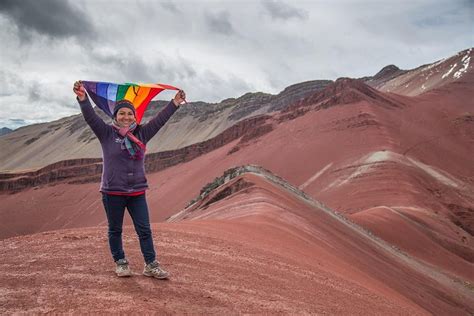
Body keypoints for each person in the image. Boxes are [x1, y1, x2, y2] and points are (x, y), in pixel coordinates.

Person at [73, 81, 186, 279]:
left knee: (144, 229)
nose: (126, 117)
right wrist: (83, 98)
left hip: (137, 192)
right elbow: (91, 118)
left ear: (135, 116)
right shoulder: (106, 133)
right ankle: (121, 262)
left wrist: (175, 103)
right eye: (121, 113)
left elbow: (159, 121)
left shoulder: (142, 133)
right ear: (115, 116)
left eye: (129, 114)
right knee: (115, 229)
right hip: (112, 191)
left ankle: (150, 264)